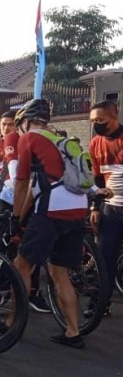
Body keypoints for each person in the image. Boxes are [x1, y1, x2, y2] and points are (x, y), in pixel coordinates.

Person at [9, 99, 88, 349]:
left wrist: (14, 218)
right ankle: (73, 332)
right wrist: (23, 215)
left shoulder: (28, 139)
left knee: (22, 265)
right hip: (78, 207)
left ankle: (13, 321)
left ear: (25, 122)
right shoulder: (58, 138)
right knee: (58, 270)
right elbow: (38, 187)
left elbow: (21, 184)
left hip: (52, 210)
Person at [88, 100, 122, 317]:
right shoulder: (95, 143)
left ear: (114, 116)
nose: (96, 124)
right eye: (93, 121)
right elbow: (98, 179)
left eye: (100, 120)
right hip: (111, 210)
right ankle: (99, 305)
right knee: (104, 258)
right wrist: (95, 207)